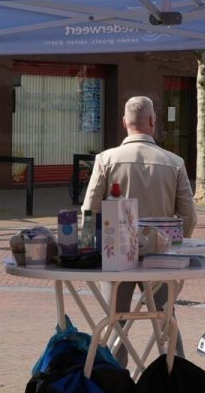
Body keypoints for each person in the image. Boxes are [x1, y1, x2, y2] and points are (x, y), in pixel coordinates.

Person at [82, 95, 198, 323]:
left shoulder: (106, 160)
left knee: (115, 322)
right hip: (160, 256)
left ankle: (116, 358)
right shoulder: (174, 162)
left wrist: (88, 251)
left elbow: (89, 210)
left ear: (124, 122)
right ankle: (172, 358)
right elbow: (189, 216)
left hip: (116, 255)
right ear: (153, 121)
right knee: (166, 322)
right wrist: (175, 246)